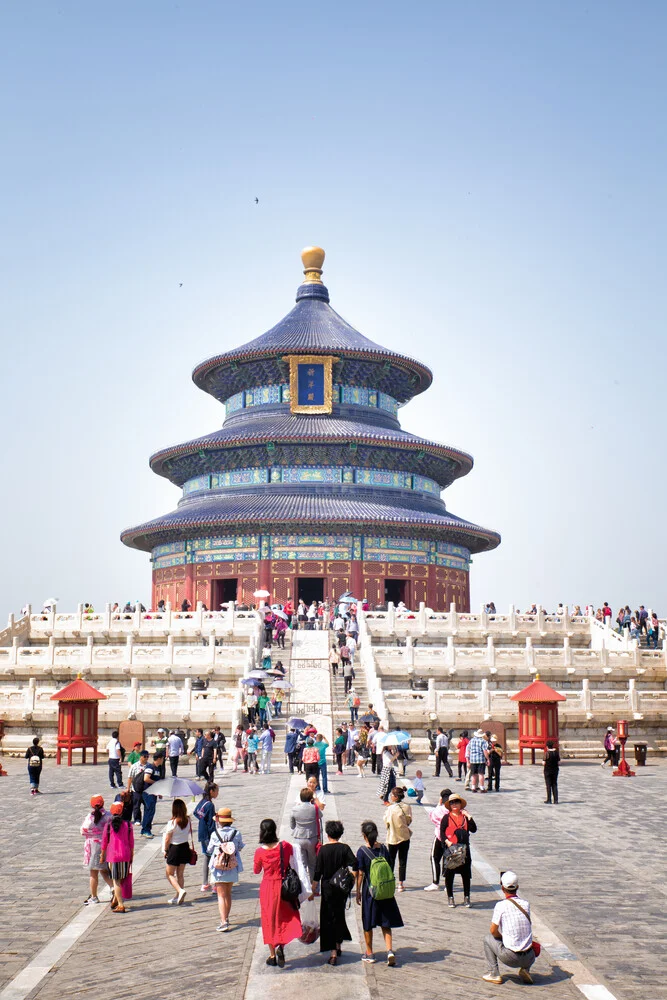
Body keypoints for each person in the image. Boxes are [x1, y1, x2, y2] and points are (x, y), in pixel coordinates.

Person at [253, 818, 303, 967]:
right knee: (284, 917)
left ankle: (272, 954)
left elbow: (256, 871)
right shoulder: (285, 846)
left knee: (269, 919)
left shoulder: (260, 852)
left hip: (268, 887)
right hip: (283, 886)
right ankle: (281, 944)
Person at [354, 820, 403, 966]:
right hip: (385, 892)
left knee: (368, 922)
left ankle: (369, 953)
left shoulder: (362, 851)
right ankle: (389, 950)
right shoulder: (383, 849)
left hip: (370, 893)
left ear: (364, 835)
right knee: (385, 922)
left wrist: (357, 892)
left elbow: (361, 874)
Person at [310, 819, 356, 965]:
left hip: (327, 887)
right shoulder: (345, 848)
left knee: (328, 918)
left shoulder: (323, 850)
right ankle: (338, 944)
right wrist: (351, 879)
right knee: (339, 915)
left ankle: (333, 953)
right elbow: (355, 864)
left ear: (328, 833)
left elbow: (317, 872)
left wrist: (312, 889)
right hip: (340, 888)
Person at [482, 870, 536, 985]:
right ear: (518, 887)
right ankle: (526, 969)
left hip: (510, 957)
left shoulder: (501, 905)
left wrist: (501, 938)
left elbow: (493, 930)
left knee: (488, 939)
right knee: (524, 937)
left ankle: (494, 973)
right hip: (529, 956)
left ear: (502, 888)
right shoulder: (526, 904)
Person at [208, 807, 245, 931]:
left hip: (219, 867)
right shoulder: (237, 833)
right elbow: (239, 847)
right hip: (232, 866)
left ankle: (223, 922)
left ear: (219, 821)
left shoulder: (215, 834)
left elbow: (209, 849)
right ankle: (226, 918)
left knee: (221, 895)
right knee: (228, 894)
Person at [441, 793, 477, 907]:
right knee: (450, 873)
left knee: (466, 874)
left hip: (464, 849)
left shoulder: (465, 817)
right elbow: (441, 832)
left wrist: (469, 816)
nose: (454, 804)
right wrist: (447, 841)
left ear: (461, 804)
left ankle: (467, 897)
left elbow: (474, 829)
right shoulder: (446, 817)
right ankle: (450, 897)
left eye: (456, 802)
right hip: (452, 848)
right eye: (452, 802)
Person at [100, 801, 134, 913]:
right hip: (125, 855)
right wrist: (132, 856)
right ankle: (115, 900)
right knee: (121, 879)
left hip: (113, 856)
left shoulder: (108, 826)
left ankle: (120, 904)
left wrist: (102, 856)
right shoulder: (128, 825)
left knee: (116, 881)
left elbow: (104, 843)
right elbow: (131, 843)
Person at [81, 795, 113, 904]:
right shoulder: (109, 816)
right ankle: (114, 887)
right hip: (106, 845)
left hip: (93, 846)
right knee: (104, 870)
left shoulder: (90, 817)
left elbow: (83, 830)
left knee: (93, 873)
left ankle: (94, 896)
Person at [162, 798, 192, 905]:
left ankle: (180, 891)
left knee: (169, 873)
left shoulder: (172, 823)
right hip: (185, 847)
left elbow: (167, 839)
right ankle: (178, 896)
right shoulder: (188, 820)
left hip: (174, 849)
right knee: (180, 874)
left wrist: (165, 850)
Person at [423, 786, 452, 891]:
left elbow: (432, 817)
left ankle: (435, 882)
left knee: (434, 858)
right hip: (451, 839)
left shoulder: (440, 809)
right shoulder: (455, 810)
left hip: (440, 837)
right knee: (448, 859)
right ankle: (448, 883)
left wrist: (439, 804)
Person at [383, 786, 412, 891]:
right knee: (403, 860)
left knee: (391, 860)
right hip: (404, 836)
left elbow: (386, 822)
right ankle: (401, 883)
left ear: (395, 797)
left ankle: (390, 882)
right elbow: (409, 820)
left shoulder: (390, 808)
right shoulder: (407, 807)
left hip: (392, 837)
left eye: (392, 795)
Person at [290, 787, 321, 880]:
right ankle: (315, 887)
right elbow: (320, 816)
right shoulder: (314, 808)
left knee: (302, 864)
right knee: (313, 864)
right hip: (312, 837)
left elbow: (292, 825)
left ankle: (304, 888)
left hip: (298, 837)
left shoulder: (295, 809)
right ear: (311, 798)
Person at [193, 781, 219, 890]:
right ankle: (214, 884)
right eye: (216, 791)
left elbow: (195, 812)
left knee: (207, 857)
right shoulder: (210, 805)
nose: (217, 793)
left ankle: (204, 883)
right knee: (214, 858)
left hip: (202, 833)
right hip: (209, 835)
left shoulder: (202, 802)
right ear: (211, 791)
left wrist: (202, 819)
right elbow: (211, 824)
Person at [140, 752, 164, 838]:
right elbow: (146, 778)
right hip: (148, 793)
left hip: (153, 793)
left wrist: (159, 792)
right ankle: (146, 830)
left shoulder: (158, 768)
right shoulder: (150, 767)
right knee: (149, 811)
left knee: (149, 811)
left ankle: (145, 829)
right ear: (159, 758)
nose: (162, 761)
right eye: (162, 759)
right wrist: (156, 783)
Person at [128, 749, 149, 825]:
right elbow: (130, 777)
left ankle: (147, 818)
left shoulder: (149, 766)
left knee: (147, 805)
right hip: (136, 789)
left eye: (147, 756)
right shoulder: (134, 766)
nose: (146, 758)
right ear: (141, 757)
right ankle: (137, 819)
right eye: (145, 756)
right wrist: (128, 788)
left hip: (146, 789)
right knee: (136, 805)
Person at [544, 740, 560, 804]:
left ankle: (549, 799)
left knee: (548, 785)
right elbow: (559, 762)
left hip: (548, 770)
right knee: (554, 784)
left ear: (547, 746)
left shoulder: (547, 753)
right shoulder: (556, 753)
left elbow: (543, 762)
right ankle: (556, 800)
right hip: (555, 770)